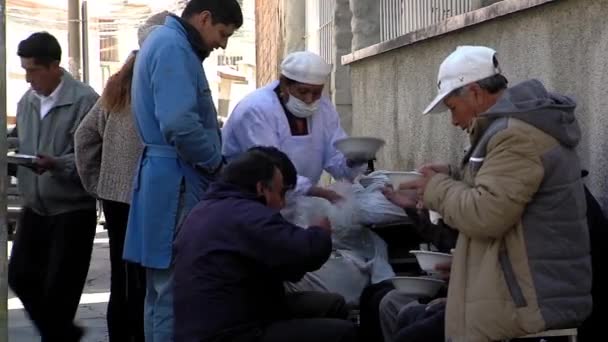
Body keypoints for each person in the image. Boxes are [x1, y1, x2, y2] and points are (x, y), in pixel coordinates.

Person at [399, 45, 592, 341]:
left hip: (527, 307)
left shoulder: (516, 135)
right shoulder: (514, 130)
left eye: (452, 107)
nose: (453, 121)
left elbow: (485, 213)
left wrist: (436, 187)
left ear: (475, 93)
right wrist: (454, 176)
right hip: (524, 298)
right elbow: (502, 189)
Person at [123, 1, 243, 340]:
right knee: (174, 293)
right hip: (176, 180)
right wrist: (216, 164)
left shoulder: (167, 43)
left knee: (160, 293)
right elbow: (179, 123)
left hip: (165, 178)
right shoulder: (173, 46)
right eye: (223, 33)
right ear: (204, 18)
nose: (223, 44)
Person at [173, 149, 357, 342]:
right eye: (281, 193)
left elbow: (289, 268)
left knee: (332, 304)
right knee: (345, 333)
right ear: (261, 188)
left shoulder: (209, 209)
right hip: (231, 332)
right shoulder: (246, 215)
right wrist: (319, 233)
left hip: (239, 314)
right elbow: (302, 252)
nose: (282, 204)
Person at [74, 12, 169, 341]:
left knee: (124, 279)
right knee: (151, 281)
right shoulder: (165, 81)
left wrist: (100, 184)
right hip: (152, 196)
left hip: (118, 199)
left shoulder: (119, 86)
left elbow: (84, 137)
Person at [7, 32, 99, 341]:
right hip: (35, 206)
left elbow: (91, 157)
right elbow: (20, 139)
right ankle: (63, 334)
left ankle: (60, 334)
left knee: (60, 290)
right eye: (25, 69)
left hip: (72, 210)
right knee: (19, 275)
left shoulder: (85, 101)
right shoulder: (27, 102)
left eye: (33, 70)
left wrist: (58, 164)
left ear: (54, 66)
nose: (28, 78)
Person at [222, 51, 366, 203]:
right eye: (303, 91)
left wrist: (351, 161)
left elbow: (336, 156)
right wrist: (319, 193)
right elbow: (269, 169)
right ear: (284, 84)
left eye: (316, 93)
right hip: (248, 200)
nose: (309, 99)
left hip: (298, 200)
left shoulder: (324, 108)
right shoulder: (255, 110)